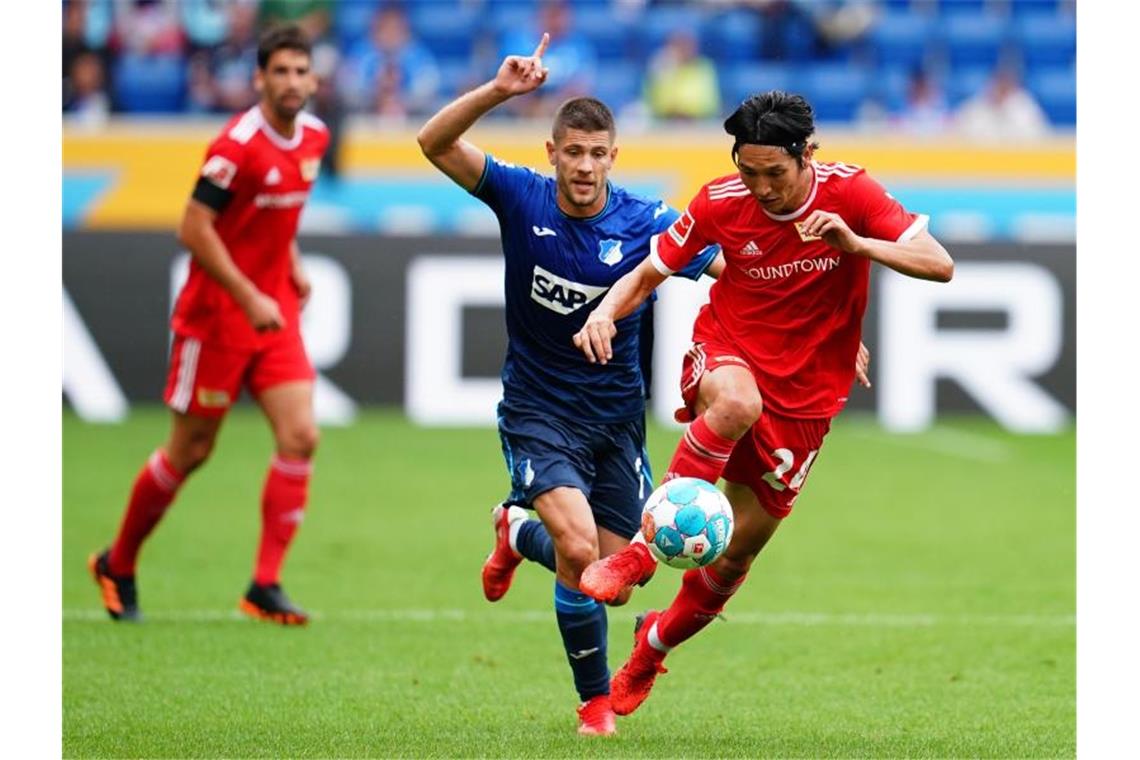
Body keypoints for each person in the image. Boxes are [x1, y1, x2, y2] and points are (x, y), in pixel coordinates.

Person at [572, 90, 953, 716]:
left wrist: (857, 246)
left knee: (733, 554)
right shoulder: (721, 202)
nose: (762, 188)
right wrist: (606, 313)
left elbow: (938, 265)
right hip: (728, 352)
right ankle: (638, 556)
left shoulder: (852, 194)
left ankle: (652, 646)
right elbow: (650, 271)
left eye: (774, 173)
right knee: (736, 402)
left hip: (807, 398)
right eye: (749, 172)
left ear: (808, 155)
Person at [416, 34, 720, 737]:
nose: (584, 167)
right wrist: (499, 92)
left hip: (616, 420)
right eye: (572, 153)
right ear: (552, 153)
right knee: (582, 552)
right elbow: (433, 143)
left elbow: (731, 276)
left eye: (597, 154)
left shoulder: (647, 222)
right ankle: (594, 708)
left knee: (616, 577)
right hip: (538, 409)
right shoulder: (522, 197)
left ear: (614, 157)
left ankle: (516, 532)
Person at [89, 25, 330, 626]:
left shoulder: (316, 137)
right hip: (216, 318)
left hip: (272, 313)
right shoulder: (235, 146)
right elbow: (194, 228)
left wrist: (291, 266)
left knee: (300, 435)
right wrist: (248, 294)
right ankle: (117, 562)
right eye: (281, 72)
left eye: (301, 71)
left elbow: (276, 219)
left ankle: (264, 586)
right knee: (190, 451)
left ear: (314, 78)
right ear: (259, 78)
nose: (292, 82)